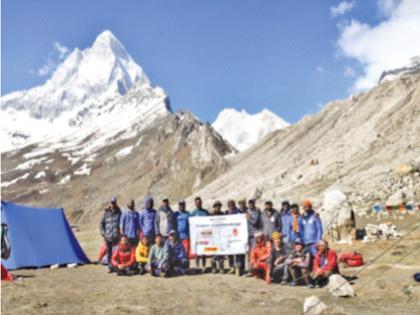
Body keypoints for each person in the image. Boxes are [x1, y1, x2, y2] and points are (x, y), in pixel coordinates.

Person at [100, 197, 122, 273]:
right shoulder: (106, 213)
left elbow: (121, 224)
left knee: (116, 252)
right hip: (108, 236)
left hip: (116, 236)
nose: (112, 204)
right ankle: (110, 267)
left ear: (116, 203)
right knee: (109, 252)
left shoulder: (119, 212)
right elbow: (101, 224)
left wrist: (120, 234)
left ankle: (116, 266)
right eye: (111, 203)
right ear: (109, 203)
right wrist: (103, 233)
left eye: (114, 203)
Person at [225, 200, 246, 276]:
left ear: (234, 205)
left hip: (237, 234)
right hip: (229, 235)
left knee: (238, 252)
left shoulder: (238, 212)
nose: (230, 206)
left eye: (232, 205)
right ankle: (231, 267)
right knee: (230, 252)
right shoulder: (226, 213)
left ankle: (239, 268)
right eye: (229, 205)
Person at [191, 197, 210, 272]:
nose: (198, 204)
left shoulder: (205, 212)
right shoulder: (193, 213)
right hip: (196, 235)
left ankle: (204, 266)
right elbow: (191, 223)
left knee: (203, 251)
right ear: (195, 203)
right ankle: (197, 266)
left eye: (199, 202)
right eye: (196, 202)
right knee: (197, 251)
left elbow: (209, 221)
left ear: (201, 203)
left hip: (204, 234)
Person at [245, 199, 260, 276]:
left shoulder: (256, 212)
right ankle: (249, 270)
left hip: (254, 235)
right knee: (248, 252)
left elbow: (255, 222)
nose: (250, 205)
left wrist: (248, 218)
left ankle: (255, 270)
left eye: (252, 203)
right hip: (246, 235)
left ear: (254, 204)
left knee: (254, 252)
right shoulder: (246, 211)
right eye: (249, 204)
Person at [210, 201, 225, 274]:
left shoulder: (223, 214)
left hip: (221, 236)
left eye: (219, 206)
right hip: (213, 236)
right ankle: (214, 268)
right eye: (216, 206)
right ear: (214, 207)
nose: (218, 207)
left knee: (221, 253)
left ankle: (221, 268)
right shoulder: (210, 215)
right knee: (213, 253)